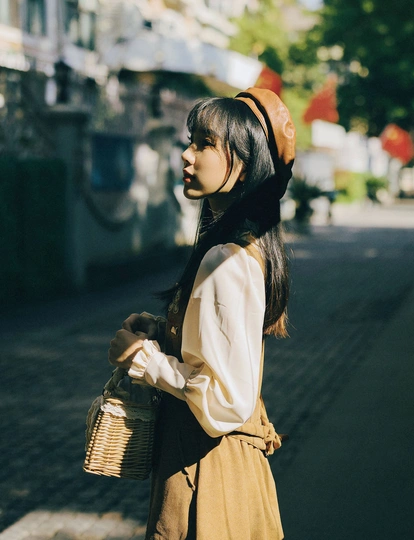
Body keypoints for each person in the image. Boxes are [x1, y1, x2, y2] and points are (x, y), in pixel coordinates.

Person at [106, 87, 296, 540]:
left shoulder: (225, 258)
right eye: (191, 141)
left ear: (245, 164)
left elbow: (226, 401)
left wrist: (144, 361)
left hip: (209, 474)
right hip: (216, 466)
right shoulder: (246, 246)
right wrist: (162, 330)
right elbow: (222, 343)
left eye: (205, 144)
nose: (188, 156)